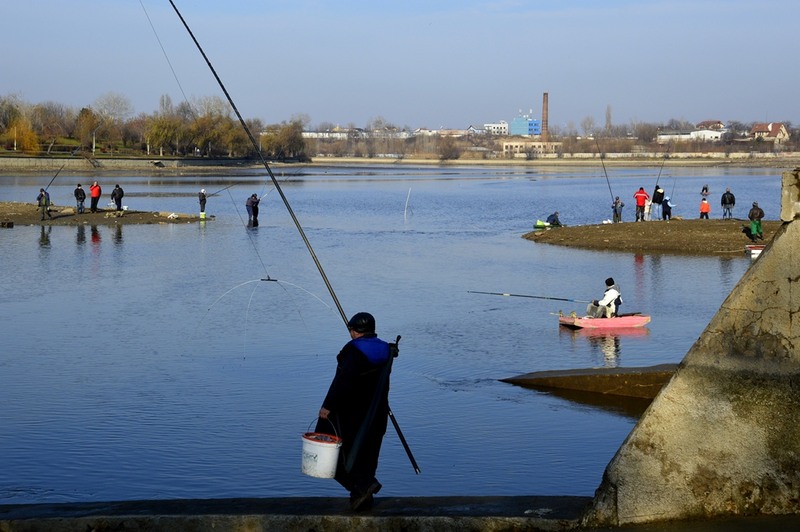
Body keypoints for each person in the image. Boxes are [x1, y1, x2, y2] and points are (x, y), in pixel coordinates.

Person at [316, 312, 393, 511]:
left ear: (353, 330)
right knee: (368, 455)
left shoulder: (353, 351)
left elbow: (343, 381)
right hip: (376, 412)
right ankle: (363, 497)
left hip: (352, 413)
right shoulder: (386, 349)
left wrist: (327, 406)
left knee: (333, 453)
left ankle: (364, 486)